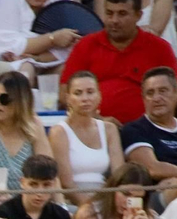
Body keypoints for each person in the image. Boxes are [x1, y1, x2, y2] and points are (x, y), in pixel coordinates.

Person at [59, 0, 177, 126]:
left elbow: (174, 93)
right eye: (109, 13)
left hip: (147, 128)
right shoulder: (86, 45)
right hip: (96, 127)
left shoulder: (159, 47)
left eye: (122, 14)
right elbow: (65, 94)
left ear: (138, 15)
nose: (114, 20)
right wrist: (98, 120)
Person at [121, 67, 177, 197]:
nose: (156, 98)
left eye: (163, 91)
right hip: (156, 196)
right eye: (150, 93)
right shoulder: (134, 130)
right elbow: (152, 168)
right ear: (143, 99)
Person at [0, 71, 52, 192]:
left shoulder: (34, 124)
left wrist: (61, 205)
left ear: (21, 101)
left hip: (28, 201)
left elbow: (48, 171)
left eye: (4, 98)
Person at [51, 70, 124, 206]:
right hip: (74, 201)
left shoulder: (109, 129)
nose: (85, 98)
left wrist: (109, 205)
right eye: (78, 93)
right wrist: (92, 207)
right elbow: (66, 183)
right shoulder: (59, 132)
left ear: (99, 96)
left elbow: (119, 176)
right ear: (68, 98)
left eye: (90, 92)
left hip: (106, 197)